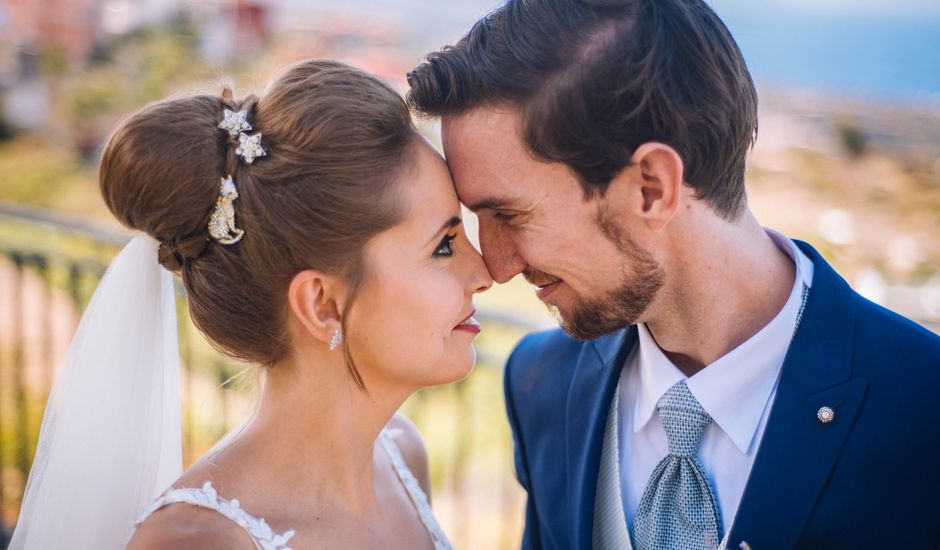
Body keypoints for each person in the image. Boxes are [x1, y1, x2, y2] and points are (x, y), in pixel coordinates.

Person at [407, 0, 940, 548]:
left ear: (652, 188)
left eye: (509, 215)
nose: (495, 265)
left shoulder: (926, 411)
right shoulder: (540, 384)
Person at [11, 59, 492, 549]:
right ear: (322, 303)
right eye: (444, 246)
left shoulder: (403, 456)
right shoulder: (198, 542)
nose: (485, 273)